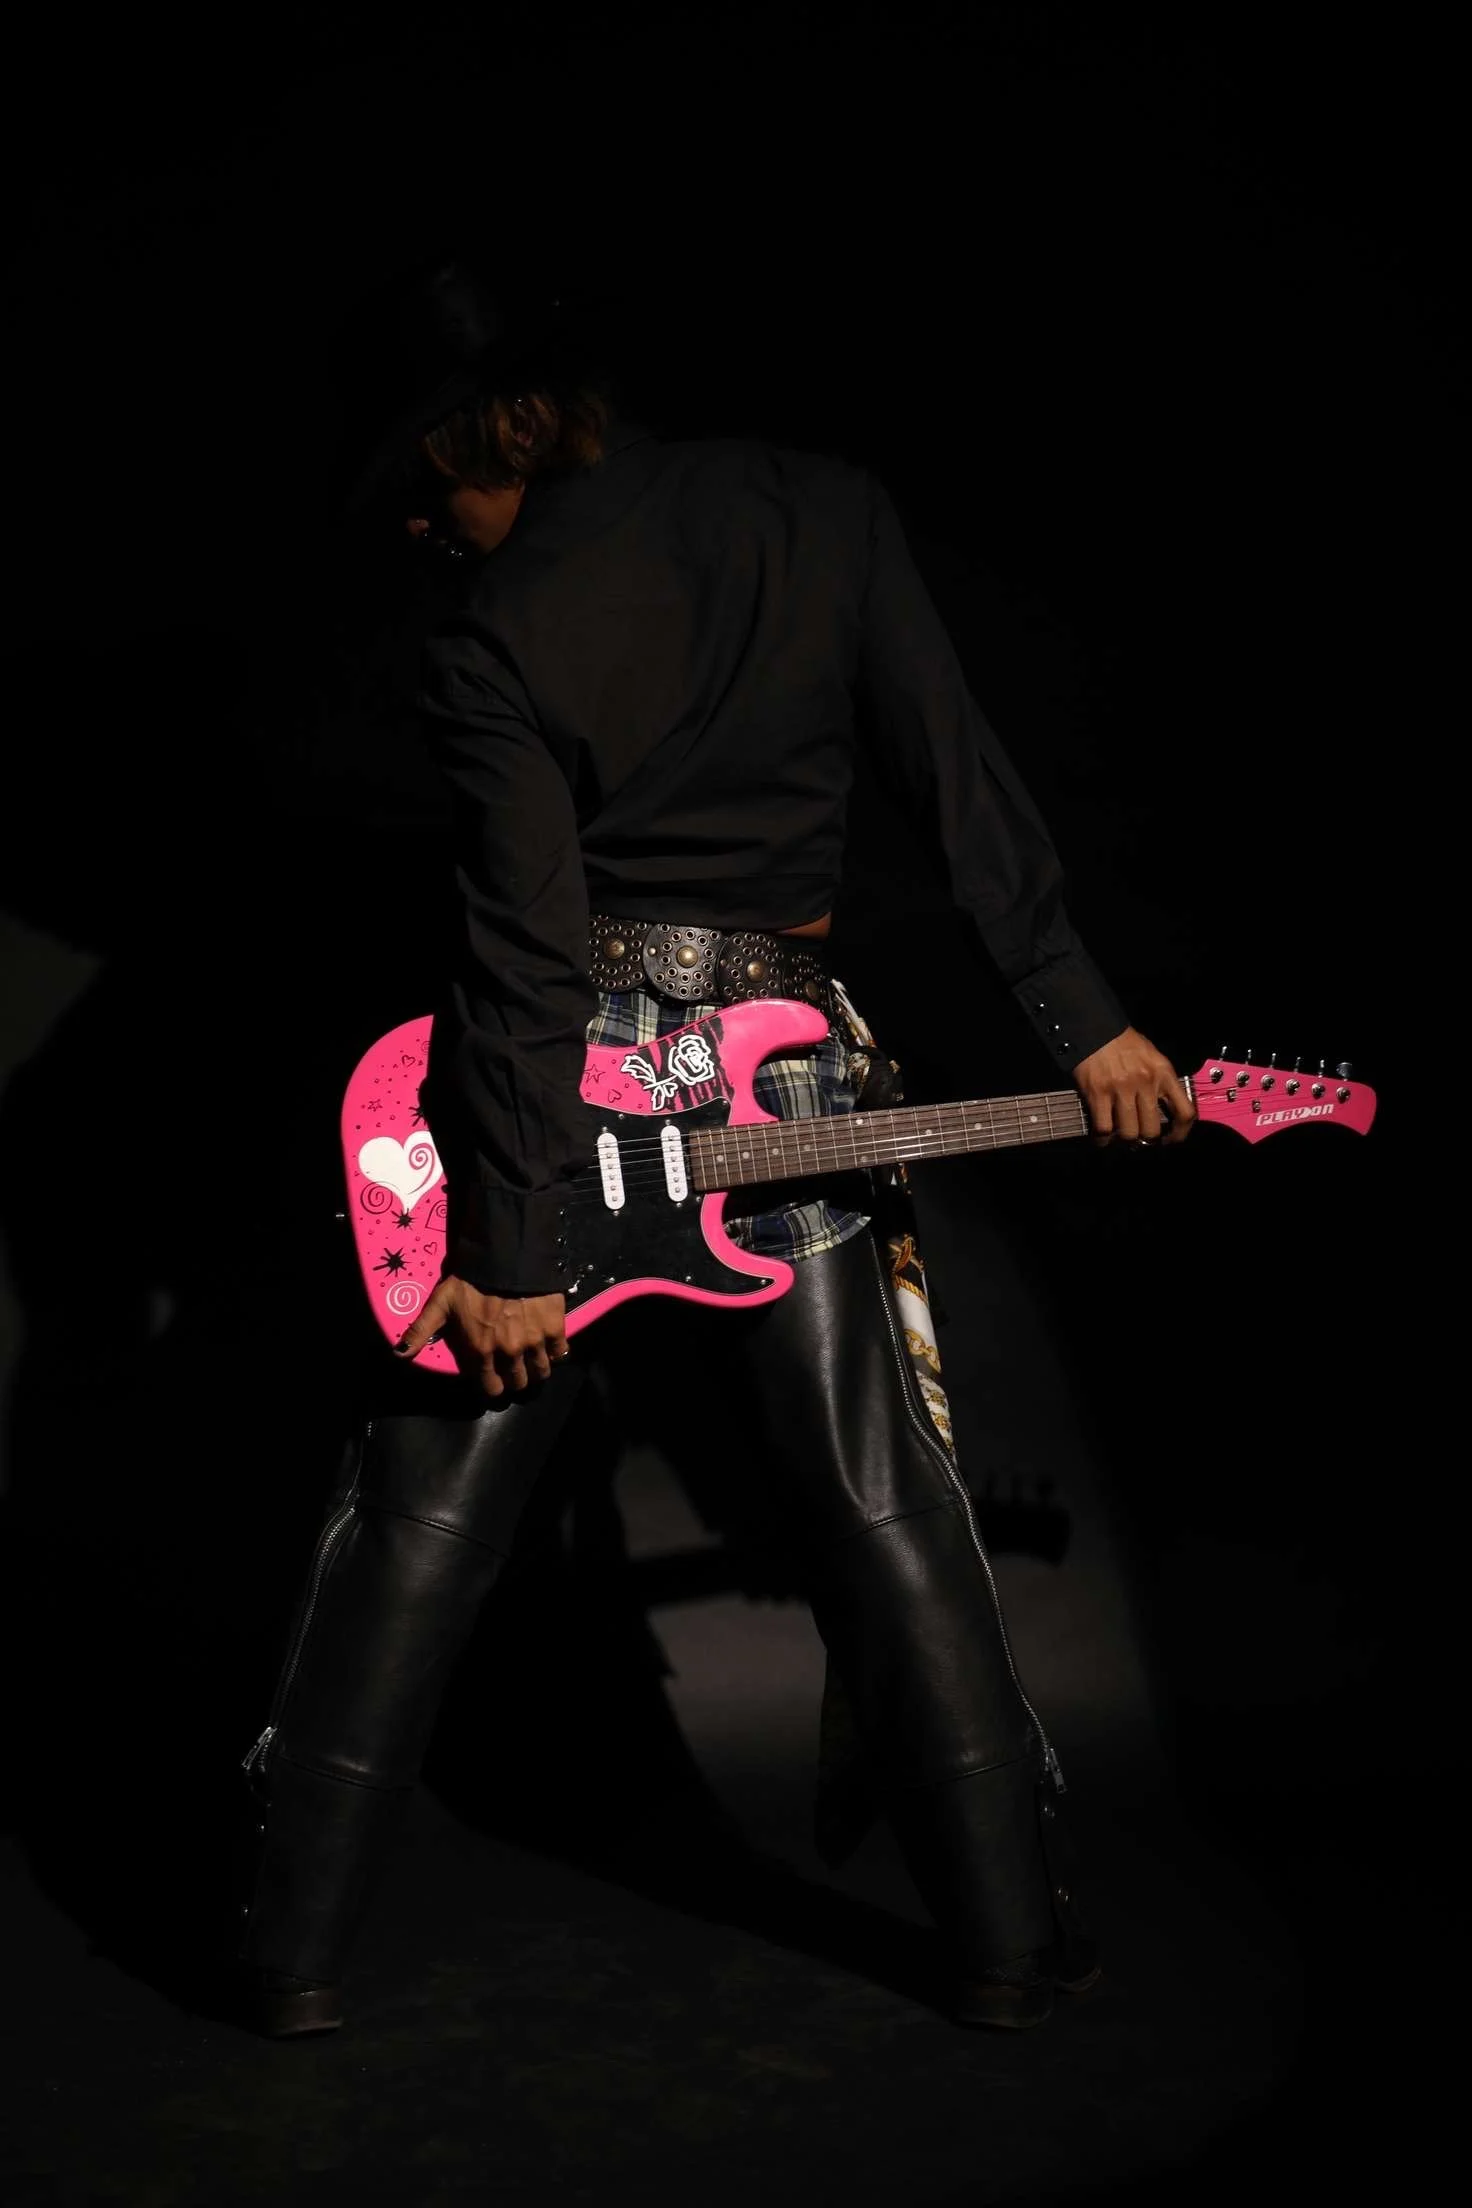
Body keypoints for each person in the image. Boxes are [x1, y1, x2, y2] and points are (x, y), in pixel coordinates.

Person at [232, 258, 1195, 2039]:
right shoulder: (825, 513)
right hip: (788, 1076)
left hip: (566, 1086)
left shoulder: (492, 632)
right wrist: (1087, 1017)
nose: (425, 531)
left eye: (425, 491)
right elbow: (959, 777)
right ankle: (1010, 1944)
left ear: (482, 435)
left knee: (417, 1522)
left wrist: (512, 1249)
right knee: (889, 1505)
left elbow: (522, 958)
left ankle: (283, 1955)